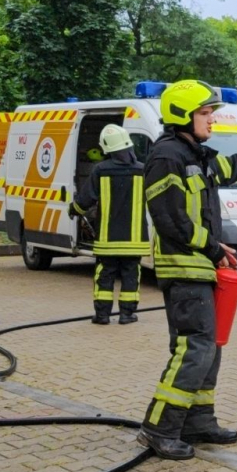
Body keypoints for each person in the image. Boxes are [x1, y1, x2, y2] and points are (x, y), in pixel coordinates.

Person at [137, 80, 237, 460]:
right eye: (206, 113)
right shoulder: (167, 157)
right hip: (184, 269)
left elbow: (236, 166)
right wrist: (215, 248)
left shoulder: (196, 155)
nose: (212, 120)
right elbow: (170, 219)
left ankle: (198, 422)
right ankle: (158, 428)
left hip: (201, 268)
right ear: (182, 115)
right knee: (193, 348)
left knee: (210, 348)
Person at [69, 124, 150, 325]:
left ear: (107, 148)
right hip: (134, 240)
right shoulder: (142, 170)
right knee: (131, 275)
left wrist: (74, 210)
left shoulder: (100, 170)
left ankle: (103, 315)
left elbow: (85, 200)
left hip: (108, 239)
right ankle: (127, 315)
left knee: (104, 276)